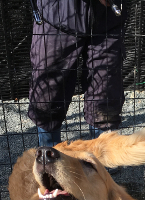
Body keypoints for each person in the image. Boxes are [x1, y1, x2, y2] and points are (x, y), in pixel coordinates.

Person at [28, 0, 126, 147]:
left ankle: (103, 156)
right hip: (56, 16)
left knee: (106, 92)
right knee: (48, 93)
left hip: (108, 18)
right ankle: (49, 153)